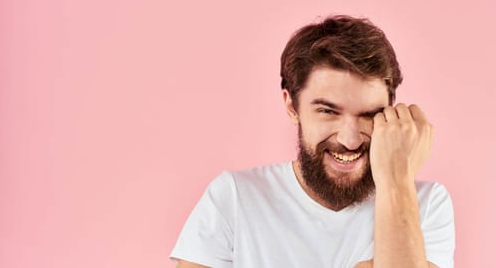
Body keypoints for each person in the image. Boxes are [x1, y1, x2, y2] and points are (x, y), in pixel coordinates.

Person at [170, 15, 455, 268]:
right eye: (328, 112)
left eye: (370, 115)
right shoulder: (234, 197)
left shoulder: (426, 203)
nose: (350, 139)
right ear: (292, 106)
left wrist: (396, 182)